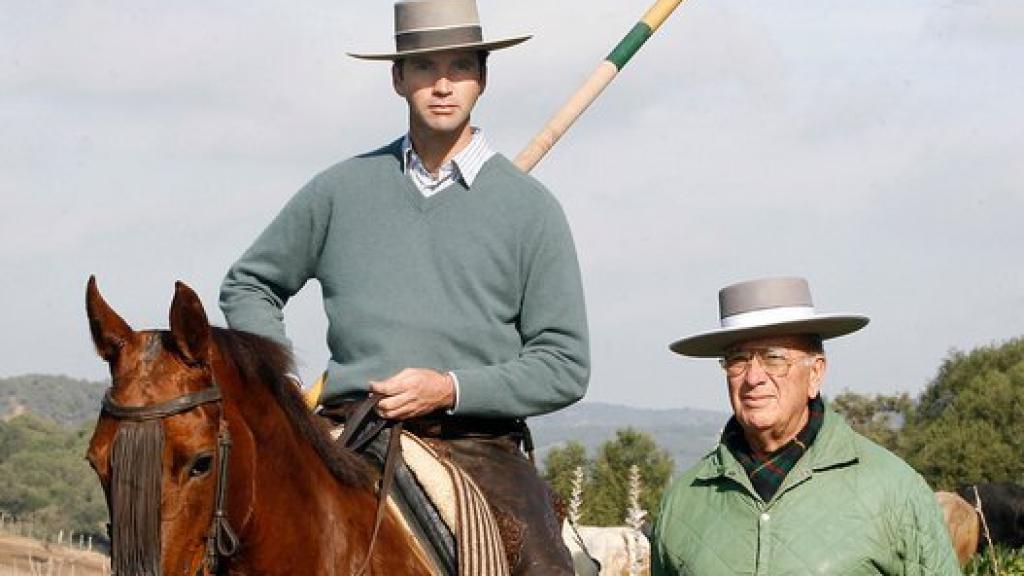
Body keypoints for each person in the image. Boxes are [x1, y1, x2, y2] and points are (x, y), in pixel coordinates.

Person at [218, 1, 588, 574]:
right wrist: (279, 386)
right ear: (398, 78)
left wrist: (448, 388)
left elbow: (564, 366)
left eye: (460, 66)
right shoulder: (340, 190)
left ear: (482, 78)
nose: (442, 84)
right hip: (348, 431)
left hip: (477, 447)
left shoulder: (531, 209)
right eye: (424, 66)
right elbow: (250, 283)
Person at [651, 277, 959, 575]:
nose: (753, 378)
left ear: (815, 373)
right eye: (738, 360)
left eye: (774, 358)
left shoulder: (895, 491)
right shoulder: (682, 503)